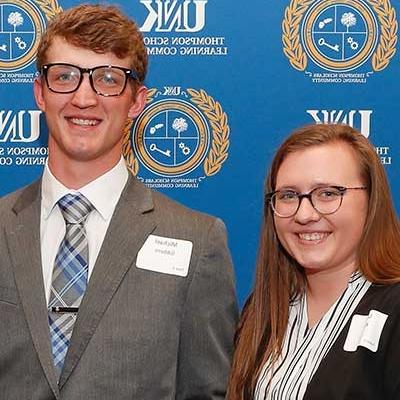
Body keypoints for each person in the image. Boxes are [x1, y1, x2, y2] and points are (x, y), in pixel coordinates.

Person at [0, 4, 238, 399]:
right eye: (65, 77)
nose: (84, 98)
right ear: (40, 92)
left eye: (108, 79)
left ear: (136, 101)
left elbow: (205, 391)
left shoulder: (198, 242)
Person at [227, 123, 400, 400]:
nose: (304, 214)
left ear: (372, 201)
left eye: (328, 193)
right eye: (288, 196)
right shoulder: (263, 311)